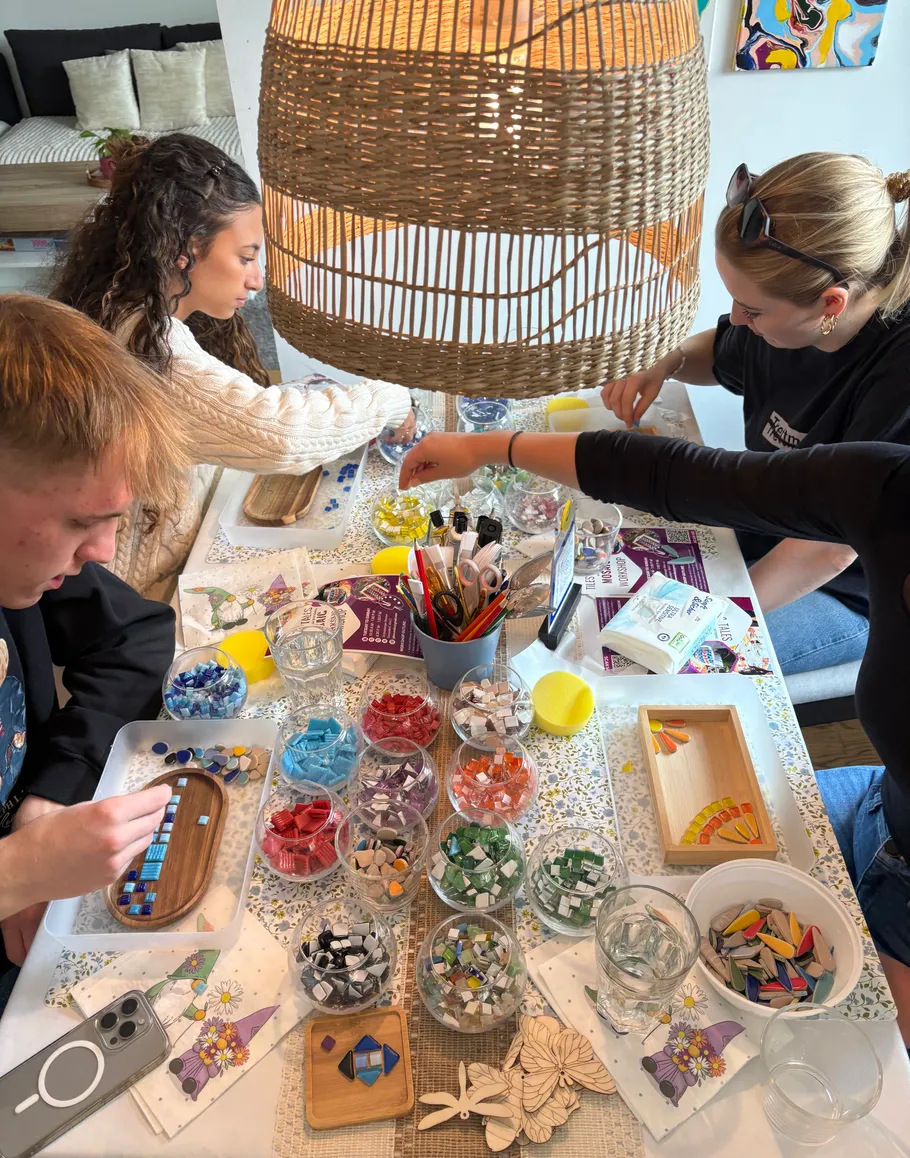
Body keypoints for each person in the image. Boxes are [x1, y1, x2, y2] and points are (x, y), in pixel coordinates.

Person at [398, 425, 910, 1040]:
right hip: (875, 805)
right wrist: (489, 447)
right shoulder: (892, 487)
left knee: (836, 1043)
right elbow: (680, 475)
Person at [51, 133, 415, 600]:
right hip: (142, 593)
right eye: (245, 257)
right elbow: (280, 434)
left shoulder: (126, 308)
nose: (257, 280)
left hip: (170, 549)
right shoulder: (148, 345)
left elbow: (228, 409)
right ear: (184, 249)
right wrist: (389, 398)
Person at [602, 154, 910, 676]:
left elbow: (830, 549)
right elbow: (722, 351)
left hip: (849, 587)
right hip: (767, 523)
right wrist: (669, 360)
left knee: (666, 669)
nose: (738, 319)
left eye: (753, 310)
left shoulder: (898, 373)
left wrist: (716, 613)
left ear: (830, 305)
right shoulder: (789, 321)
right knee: (615, 570)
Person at [0, 295, 185, 1010]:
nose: (104, 552)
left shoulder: (21, 572)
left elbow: (136, 633)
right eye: (81, 521)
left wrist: (45, 800)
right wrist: (16, 873)